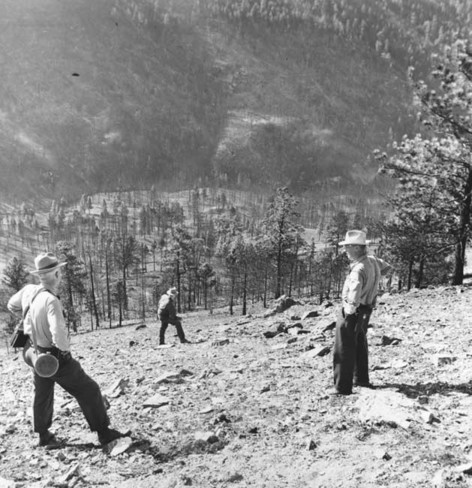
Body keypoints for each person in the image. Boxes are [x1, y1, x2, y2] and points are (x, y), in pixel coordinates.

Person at [7, 252, 126, 448]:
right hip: (53, 357)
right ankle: (104, 433)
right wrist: (63, 353)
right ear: (55, 273)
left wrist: (30, 320)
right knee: (89, 389)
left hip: (32, 352)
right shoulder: (52, 301)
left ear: (39, 275)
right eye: (58, 271)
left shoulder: (29, 291)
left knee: (43, 392)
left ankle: (43, 435)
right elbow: (59, 334)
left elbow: (12, 305)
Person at [332, 230, 391, 395]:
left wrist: (349, 311)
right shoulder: (372, 261)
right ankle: (361, 379)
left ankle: (342, 387)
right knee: (359, 341)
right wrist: (375, 280)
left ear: (357, 248)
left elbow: (354, 291)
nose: (345, 250)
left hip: (355, 310)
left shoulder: (358, 269)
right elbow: (387, 267)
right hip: (367, 309)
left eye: (348, 247)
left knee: (343, 346)